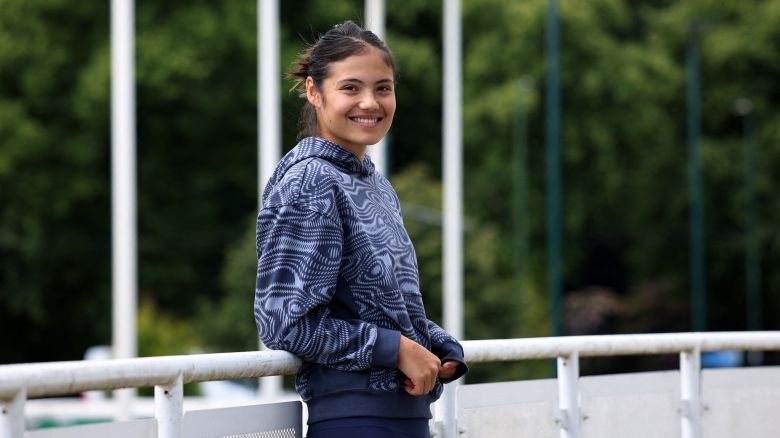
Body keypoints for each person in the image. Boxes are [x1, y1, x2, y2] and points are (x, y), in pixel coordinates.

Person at [254, 21, 467, 438]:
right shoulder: (309, 180)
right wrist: (397, 349)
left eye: (383, 88)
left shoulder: (373, 182)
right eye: (350, 88)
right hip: (355, 421)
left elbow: (376, 304)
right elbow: (282, 321)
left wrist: (434, 345)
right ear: (314, 92)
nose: (370, 102)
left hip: (404, 416)